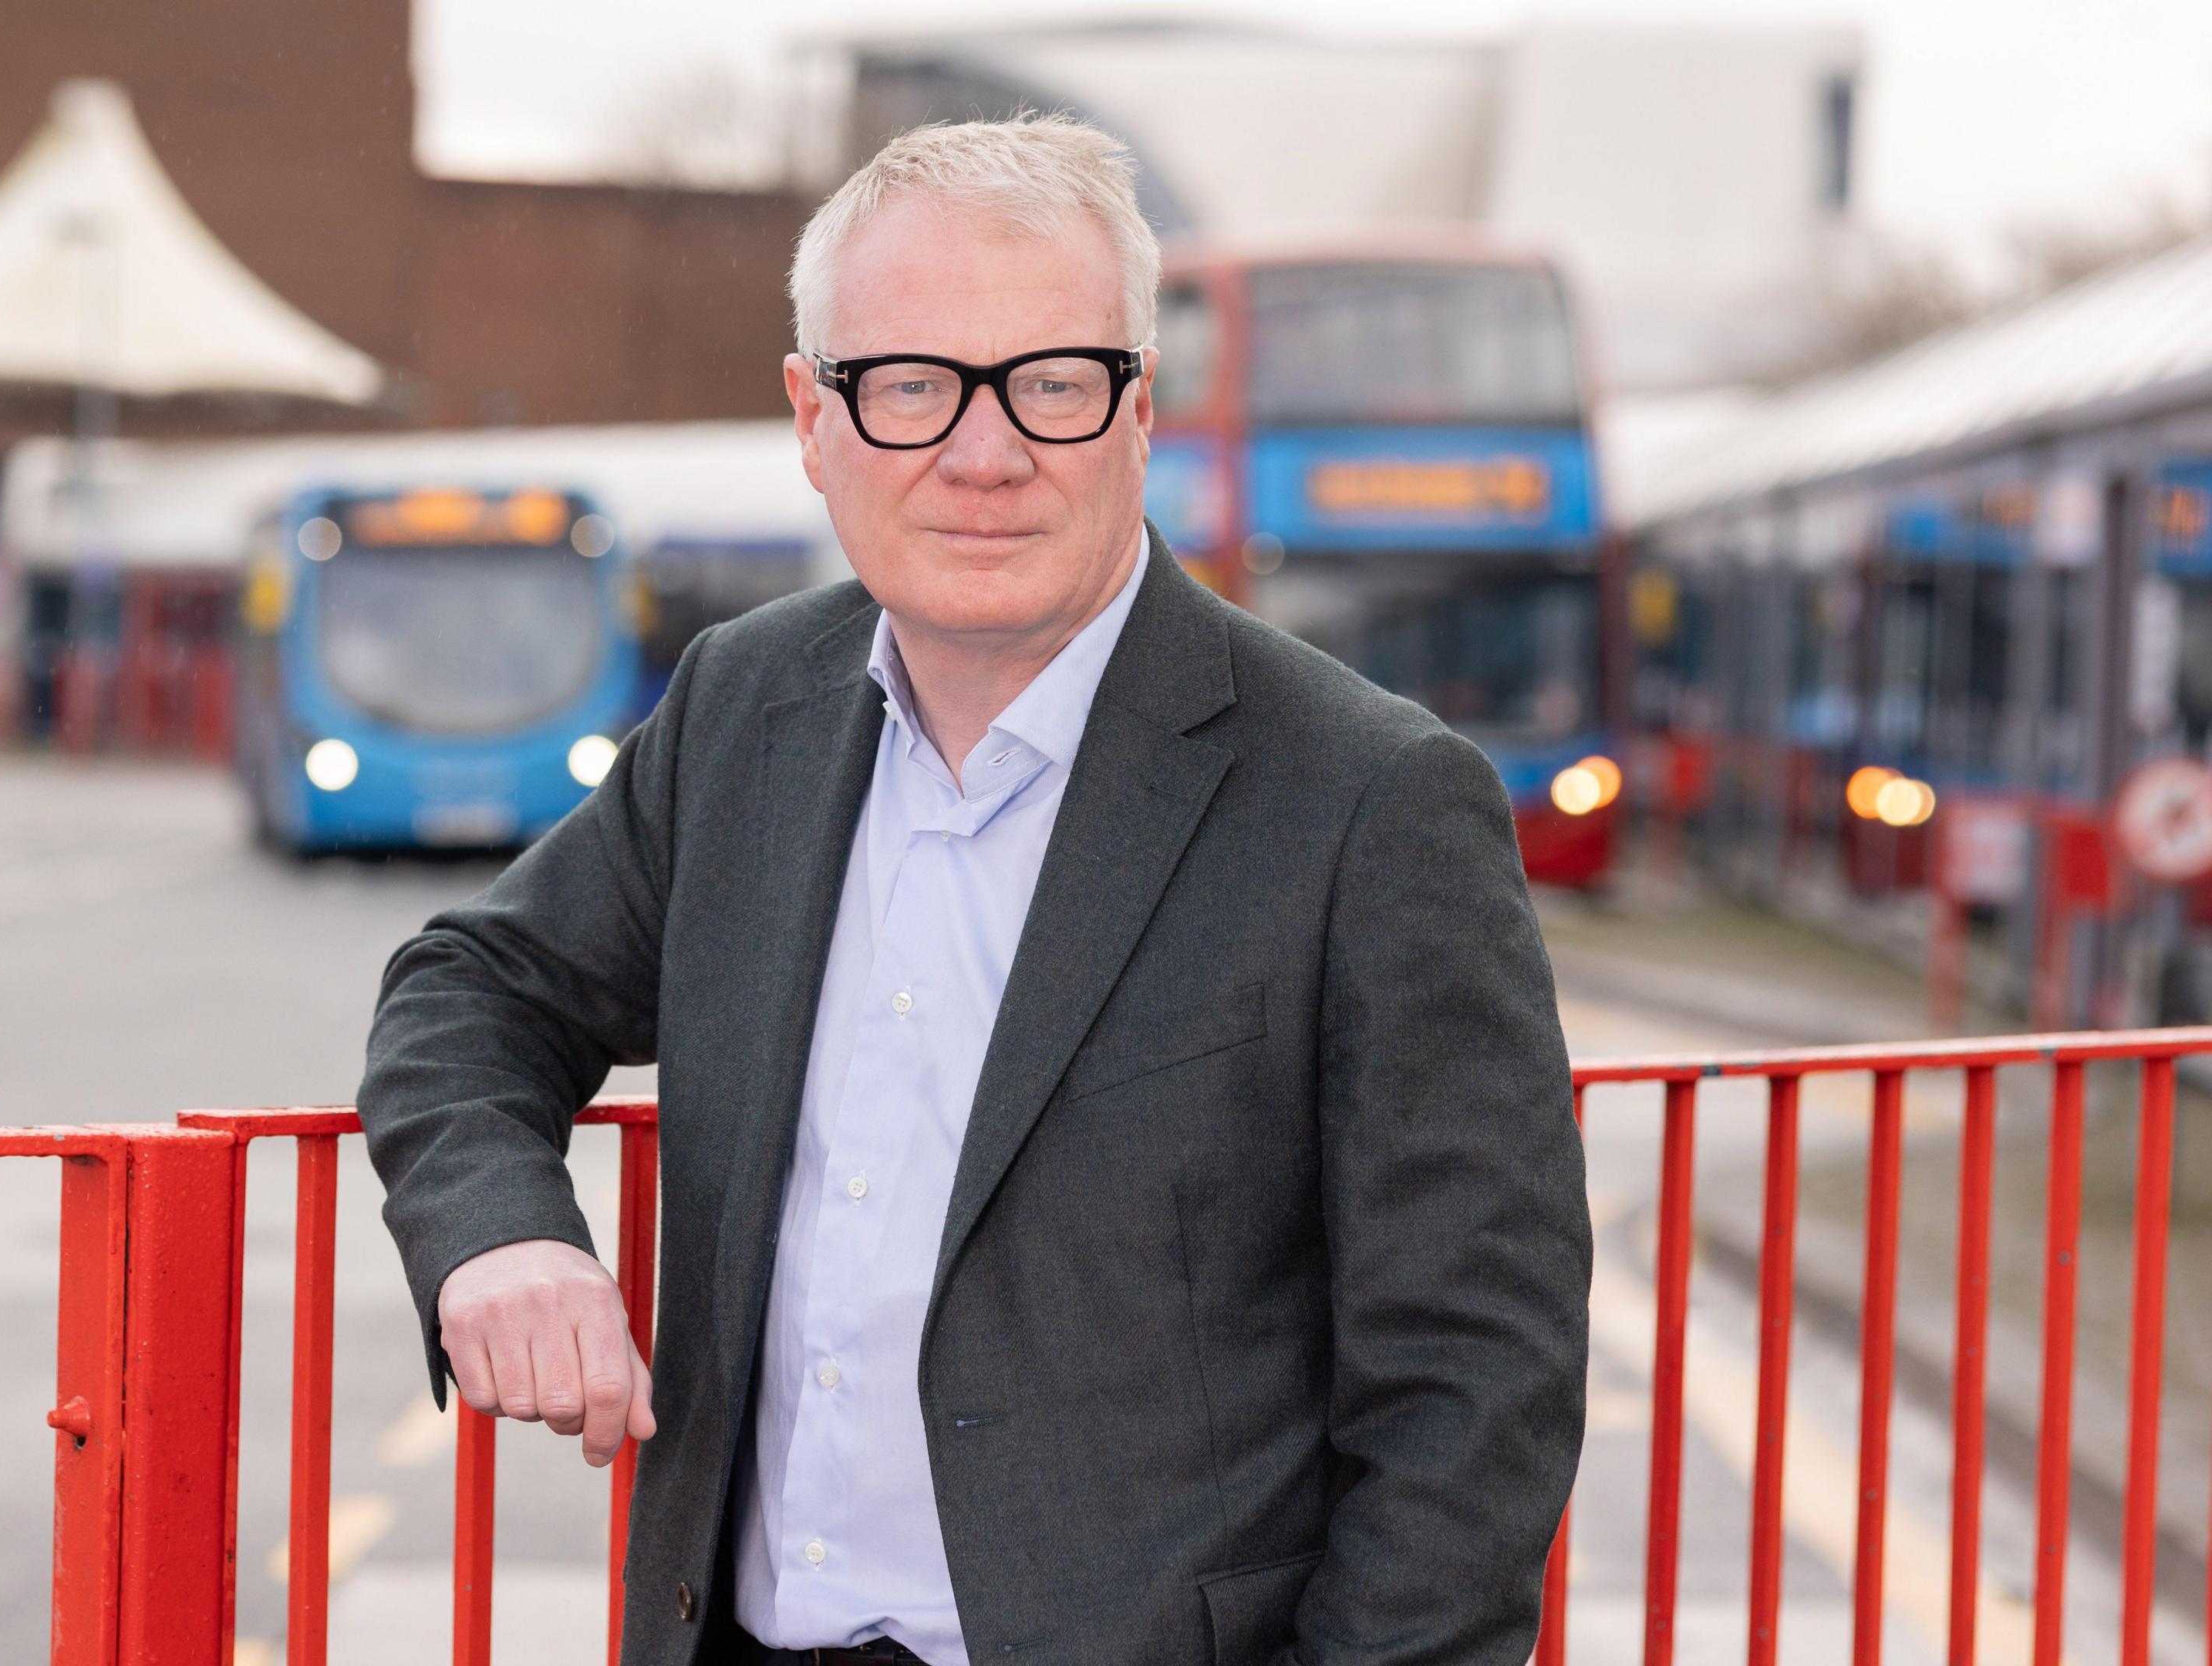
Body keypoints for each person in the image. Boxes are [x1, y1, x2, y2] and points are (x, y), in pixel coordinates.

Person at [356, 116, 1590, 1666]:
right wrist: (502, 1235)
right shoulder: (746, 706)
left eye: (1054, 385)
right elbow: (472, 987)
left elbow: (1475, 1391)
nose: (984, 452)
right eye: (909, 384)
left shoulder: (1369, 800)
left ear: (1141, 412)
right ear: (813, 421)